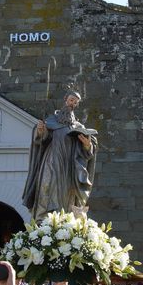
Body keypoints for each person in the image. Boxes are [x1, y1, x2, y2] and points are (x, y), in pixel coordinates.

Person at [22, 91, 98, 219]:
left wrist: (87, 145)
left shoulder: (78, 126)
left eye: (75, 102)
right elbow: (42, 140)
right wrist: (41, 131)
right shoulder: (51, 121)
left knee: (67, 194)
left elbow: (88, 151)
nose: (72, 103)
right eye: (71, 100)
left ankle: (64, 224)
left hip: (69, 165)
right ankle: (43, 222)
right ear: (65, 99)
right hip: (51, 160)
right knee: (46, 187)